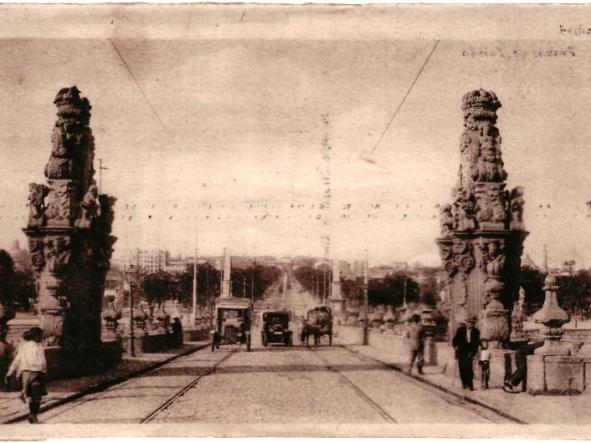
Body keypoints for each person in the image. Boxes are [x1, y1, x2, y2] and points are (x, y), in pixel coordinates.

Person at [5, 327, 47, 423]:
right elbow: (41, 362)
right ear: (36, 336)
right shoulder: (38, 347)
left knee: (31, 395)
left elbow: (16, 361)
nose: (42, 337)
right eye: (41, 335)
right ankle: (33, 414)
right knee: (37, 395)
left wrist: (9, 373)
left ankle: (31, 411)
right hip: (35, 372)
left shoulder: (24, 347)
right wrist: (43, 371)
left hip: (26, 374)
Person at [452, 316, 480, 390]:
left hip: (470, 351)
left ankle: (470, 385)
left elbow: (476, 344)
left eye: (473, 323)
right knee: (462, 368)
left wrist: (473, 352)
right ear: (466, 323)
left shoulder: (476, 332)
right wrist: (455, 347)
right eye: (469, 322)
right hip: (461, 351)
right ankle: (464, 383)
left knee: (469, 368)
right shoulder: (460, 330)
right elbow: (455, 340)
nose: (471, 324)